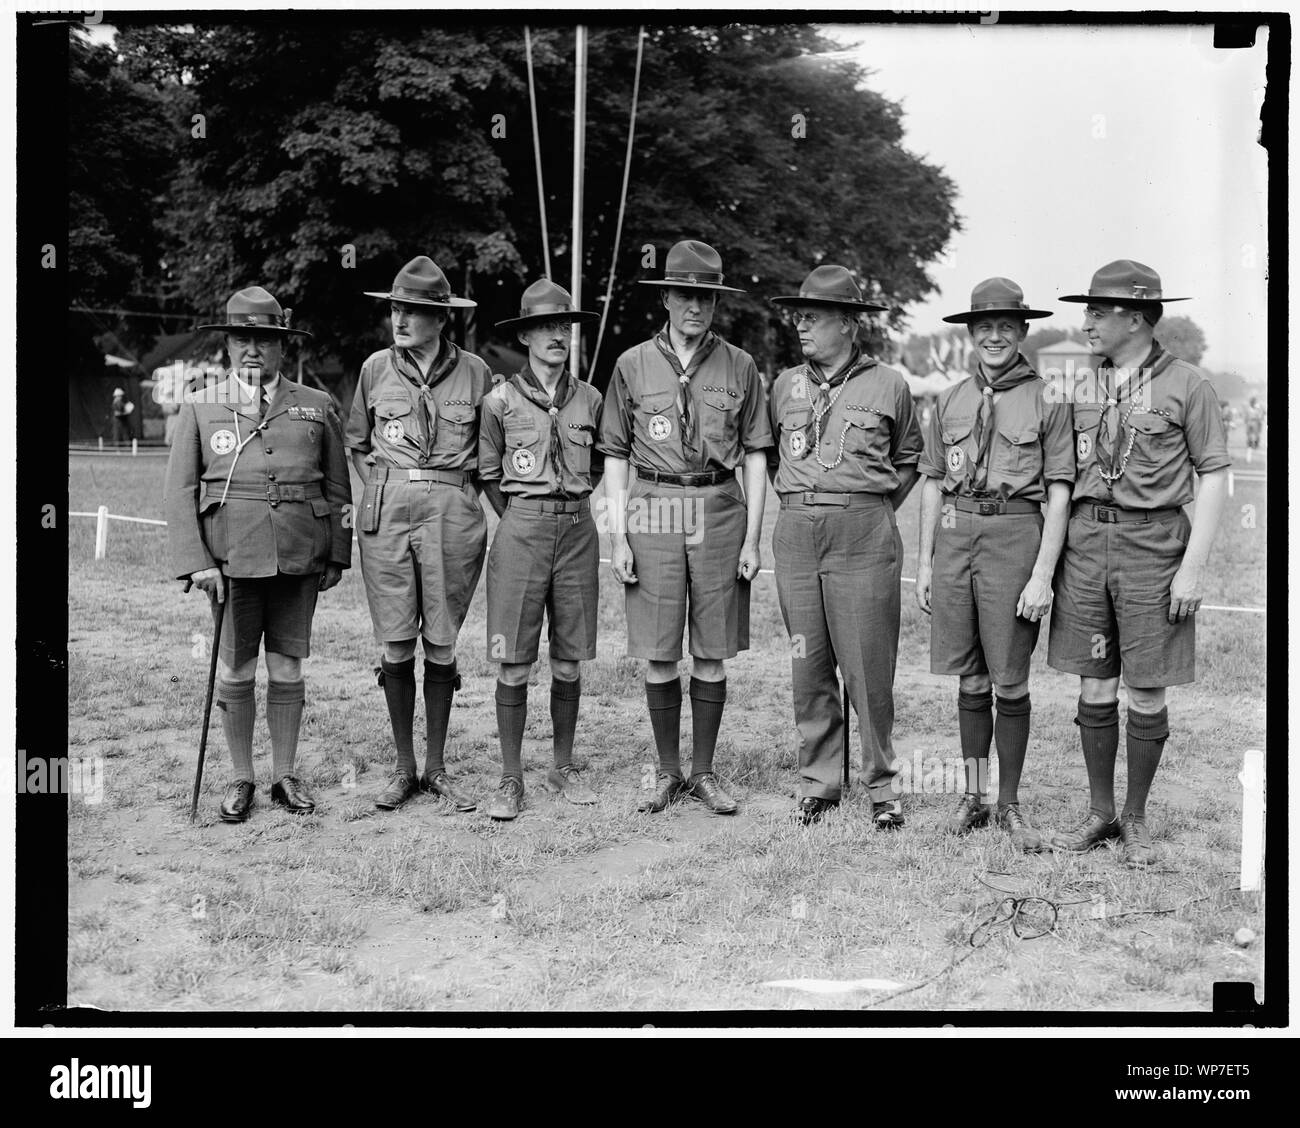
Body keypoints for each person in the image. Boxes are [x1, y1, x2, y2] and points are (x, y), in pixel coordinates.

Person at [1047, 260, 1230, 867]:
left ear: (1137, 317)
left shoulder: (1187, 384)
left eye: (1098, 312)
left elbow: (1213, 475)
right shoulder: (1077, 383)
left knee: (1146, 689)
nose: (1087, 322)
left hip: (1154, 547)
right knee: (1094, 681)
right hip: (1086, 543)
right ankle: (1100, 813)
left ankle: (1137, 817)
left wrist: (1193, 568)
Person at [598, 239, 771, 815]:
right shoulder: (631, 364)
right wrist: (618, 535)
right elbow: (616, 454)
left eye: (707, 297)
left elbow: (754, 455)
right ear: (666, 298)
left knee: (713, 646)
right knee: (658, 646)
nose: (695, 306)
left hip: (718, 503)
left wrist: (752, 538)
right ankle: (668, 771)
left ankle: (704, 772)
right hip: (653, 504)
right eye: (685, 295)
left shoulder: (741, 365)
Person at [164, 286, 350, 822]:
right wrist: (196, 561)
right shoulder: (200, 406)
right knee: (238, 666)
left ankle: (284, 775)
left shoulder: (316, 406)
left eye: (265, 339)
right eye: (243, 338)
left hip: (299, 554)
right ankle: (243, 776)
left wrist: (337, 554)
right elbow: (179, 492)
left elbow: (338, 488)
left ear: (282, 346)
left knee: (288, 664)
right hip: (230, 560)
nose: (253, 349)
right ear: (227, 343)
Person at [915, 278, 1073, 850]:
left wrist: (1041, 575)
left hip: (1014, 534)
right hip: (957, 533)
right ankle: (973, 795)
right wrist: (927, 562)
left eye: (1007, 326)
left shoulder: (1048, 397)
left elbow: (1059, 491)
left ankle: (1008, 802)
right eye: (984, 327)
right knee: (970, 673)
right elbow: (932, 482)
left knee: (1009, 677)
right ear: (970, 333)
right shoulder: (951, 398)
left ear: (1023, 332)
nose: (995, 336)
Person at [767, 265, 922, 827]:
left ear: (849, 323)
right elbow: (777, 462)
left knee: (866, 663)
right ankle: (820, 780)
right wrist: (806, 504)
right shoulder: (785, 384)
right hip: (797, 534)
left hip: (863, 534)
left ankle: (882, 787)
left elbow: (908, 461)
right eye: (799, 317)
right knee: (807, 661)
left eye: (814, 317)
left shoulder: (890, 384)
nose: (802, 327)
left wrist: (867, 507)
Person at [347, 256, 491, 813]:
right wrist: (384, 486)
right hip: (387, 511)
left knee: (442, 637)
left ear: (441, 319)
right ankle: (404, 767)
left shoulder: (476, 373)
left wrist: (453, 497)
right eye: (396, 308)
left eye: (414, 310)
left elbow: (490, 454)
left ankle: (437, 767)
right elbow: (358, 443)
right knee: (395, 638)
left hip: (452, 511)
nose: (400, 319)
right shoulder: (375, 369)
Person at [477, 280, 604, 820]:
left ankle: (563, 765)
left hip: (577, 532)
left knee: (570, 658)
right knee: (513, 659)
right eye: (547, 326)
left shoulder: (591, 398)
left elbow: (598, 465)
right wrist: (525, 519)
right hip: (521, 530)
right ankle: (511, 777)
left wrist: (565, 511)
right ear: (525, 334)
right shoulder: (498, 400)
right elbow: (487, 473)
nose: (558, 336)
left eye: (565, 327)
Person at [1244, 395, 1265, 461]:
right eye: (1252, 402)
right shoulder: (1248, 408)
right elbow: (1246, 416)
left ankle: (1256, 444)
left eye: (1254, 402)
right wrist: (1246, 421)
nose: (1253, 403)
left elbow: (1260, 415)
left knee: (1256, 434)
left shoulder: (1258, 408)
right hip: (1250, 422)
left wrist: (1259, 420)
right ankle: (1249, 444)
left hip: (1256, 422)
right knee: (1249, 435)